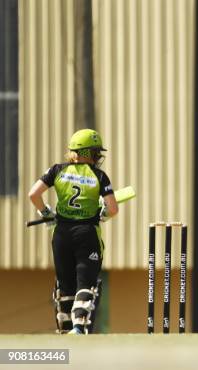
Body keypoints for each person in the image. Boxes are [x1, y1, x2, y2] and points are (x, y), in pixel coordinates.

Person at [28, 129, 118, 335]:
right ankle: (78, 328)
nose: (98, 157)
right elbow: (112, 209)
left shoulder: (57, 170)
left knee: (65, 284)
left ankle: (65, 329)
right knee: (85, 282)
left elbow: (33, 194)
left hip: (61, 234)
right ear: (87, 153)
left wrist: (45, 212)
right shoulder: (99, 176)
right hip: (87, 233)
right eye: (95, 152)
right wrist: (103, 213)